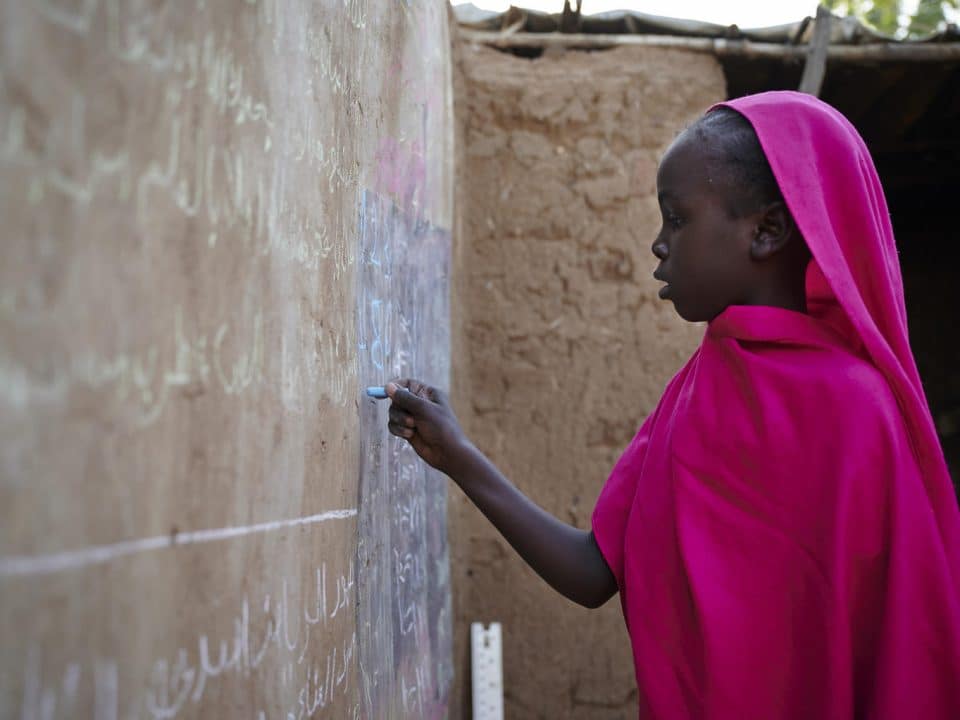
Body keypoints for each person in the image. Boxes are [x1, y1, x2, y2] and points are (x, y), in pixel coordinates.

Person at [383, 91, 960, 718]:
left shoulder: (860, 412)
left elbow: (909, 655)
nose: (658, 245)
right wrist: (457, 456)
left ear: (766, 231)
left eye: (677, 219)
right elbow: (593, 572)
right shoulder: (688, 397)